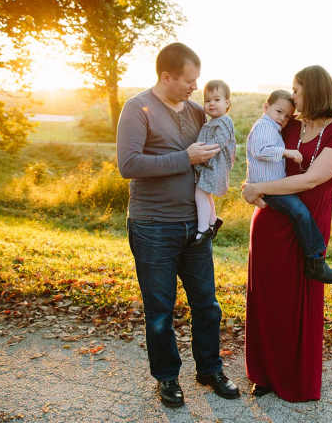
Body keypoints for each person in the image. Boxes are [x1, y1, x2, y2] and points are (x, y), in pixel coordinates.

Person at [116, 42, 240, 408]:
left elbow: (223, 135)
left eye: (197, 80)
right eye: (189, 80)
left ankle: (209, 369)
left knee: (208, 305)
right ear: (166, 77)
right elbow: (129, 165)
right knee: (160, 312)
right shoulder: (137, 109)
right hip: (153, 226)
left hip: (196, 227)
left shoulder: (199, 111)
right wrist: (184, 158)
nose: (194, 87)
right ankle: (167, 378)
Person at [242, 65, 332, 402]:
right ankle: (262, 374)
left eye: (298, 89)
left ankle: (295, 378)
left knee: (299, 301)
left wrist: (258, 187)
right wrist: (249, 185)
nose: (292, 96)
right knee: (266, 298)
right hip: (270, 221)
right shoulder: (287, 122)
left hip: (308, 222)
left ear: (315, 90)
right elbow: (257, 150)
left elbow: (311, 179)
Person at [245, 89, 332, 283]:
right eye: (279, 112)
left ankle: (316, 260)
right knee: (299, 212)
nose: (283, 118)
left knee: (300, 213)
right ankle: (316, 261)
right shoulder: (264, 126)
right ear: (266, 107)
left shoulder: (274, 126)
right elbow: (259, 150)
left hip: (271, 186)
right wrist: (286, 152)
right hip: (269, 188)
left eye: (288, 116)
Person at [191, 79, 237, 246]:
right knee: (206, 193)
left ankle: (203, 228)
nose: (211, 104)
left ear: (227, 103)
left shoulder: (224, 121)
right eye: (207, 100)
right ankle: (213, 220)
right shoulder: (209, 122)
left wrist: (201, 150)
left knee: (200, 194)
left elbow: (220, 141)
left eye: (216, 100)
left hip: (215, 164)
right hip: (208, 163)